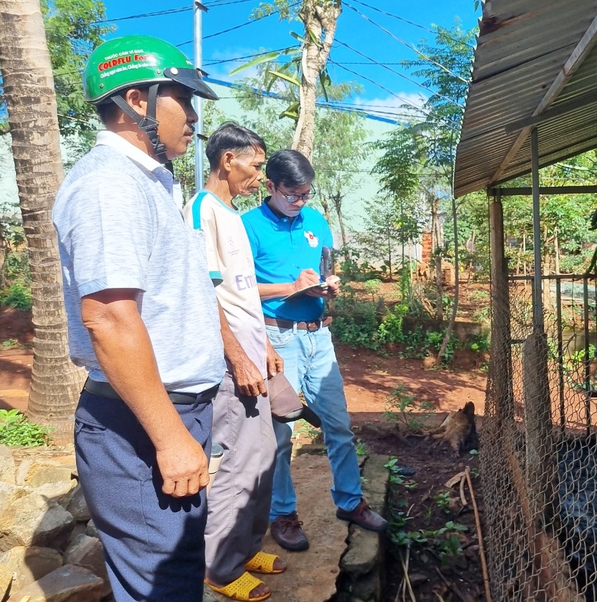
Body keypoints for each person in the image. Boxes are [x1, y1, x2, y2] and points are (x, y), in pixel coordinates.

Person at [52, 36, 226, 602]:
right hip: (141, 424)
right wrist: (171, 437)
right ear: (138, 100)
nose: (195, 118)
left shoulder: (150, 180)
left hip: (161, 414)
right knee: (163, 587)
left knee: (173, 572)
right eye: (186, 100)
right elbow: (107, 317)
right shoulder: (109, 185)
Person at [242, 149, 387, 552]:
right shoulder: (247, 227)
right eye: (292, 194)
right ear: (270, 187)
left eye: (306, 193)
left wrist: (328, 284)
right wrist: (289, 288)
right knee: (281, 434)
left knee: (338, 424)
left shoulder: (316, 220)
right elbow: (235, 292)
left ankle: (350, 501)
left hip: (317, 336)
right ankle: (283, 514)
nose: (300, 202)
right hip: (276, 339)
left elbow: (325, 268)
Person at [183, 122, 287, 602]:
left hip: (250, 349)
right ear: (229, 160)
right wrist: (239, 358)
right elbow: (205, 295)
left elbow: (241, 294)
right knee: (241, 461)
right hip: (230, 361)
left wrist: (263, 345)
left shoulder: (231, 213)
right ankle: (219, 568)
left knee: (263, 453)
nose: (259, 176)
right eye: (257, 165)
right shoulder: (203, 210)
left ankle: (245, 549)